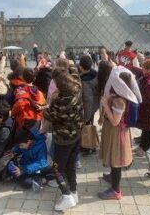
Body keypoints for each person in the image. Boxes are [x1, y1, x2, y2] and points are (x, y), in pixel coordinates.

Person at [44, 67, 83, 211]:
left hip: (63, 139)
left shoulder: (59, 101)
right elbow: (74, 70)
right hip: (77, 135)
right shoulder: (77, 88)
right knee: (70, 165)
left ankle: (67, 196)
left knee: (57, 168)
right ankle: (73, 192)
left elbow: (49, 116)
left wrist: (45, 107)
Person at [99, 70, 139, 200]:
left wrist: (105, 104)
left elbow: (115, 122)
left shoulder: (119, 100)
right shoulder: (121, 96)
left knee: (116, 160)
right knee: (113, 158)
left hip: (116, 134)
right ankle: (112, 177)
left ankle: (116, 191)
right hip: (115, 132)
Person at [79, 55, 99, 156]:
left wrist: (86, 116)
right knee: (90, 125)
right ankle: (91, 145)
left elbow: (87, 100)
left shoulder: (85, 81)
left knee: (87, 126)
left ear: (81, 67)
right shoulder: (95, 74)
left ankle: (88, 147)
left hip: (88, 108)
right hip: (95, 105)